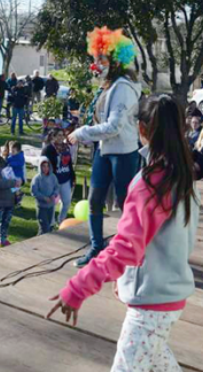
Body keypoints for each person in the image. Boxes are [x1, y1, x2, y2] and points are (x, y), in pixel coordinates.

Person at [48, 94, 200, 372]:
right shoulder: (182, 176)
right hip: (169, 296)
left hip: (153, 301)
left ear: (141, 129)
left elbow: (125, 248)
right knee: (158, 357)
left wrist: (78, 287)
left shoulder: (150, 184)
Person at [68, 27, 142, 267]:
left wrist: (81, 133)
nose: (97, 64)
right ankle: (97, 247)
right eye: (95, 58)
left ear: (116, 60)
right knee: (95, 199)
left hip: (123, 153)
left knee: (124, 203)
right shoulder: (109, 85)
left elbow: (114, 127)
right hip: (104, 151)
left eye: (102, 58)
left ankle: (130, 249)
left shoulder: (123, 87)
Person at [43, 128, 76, 224]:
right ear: (53, 137)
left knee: (67, 202)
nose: (61, 137)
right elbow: (43, 164)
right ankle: (51, 222)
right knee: (52, 203)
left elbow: (69, 163)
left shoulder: (66, 147)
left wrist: (72, 176)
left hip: (65, 178)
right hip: (53, 180)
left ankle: (61, 220)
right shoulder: (48, 149)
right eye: (59, 135)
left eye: (62, 135)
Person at [31, 157, 59, 234]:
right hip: (41, 207)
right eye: (43, 166)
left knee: (48, 226)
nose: (46, 168)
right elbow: (34, 192)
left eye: (47, 166)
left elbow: (56, 187)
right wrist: (43, 198)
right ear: (40, 167)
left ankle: (43, 242)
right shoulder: (37, 179)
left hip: (51, 206)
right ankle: (38, 243)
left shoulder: (53, 177)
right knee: (44, 227)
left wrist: (54, 195)